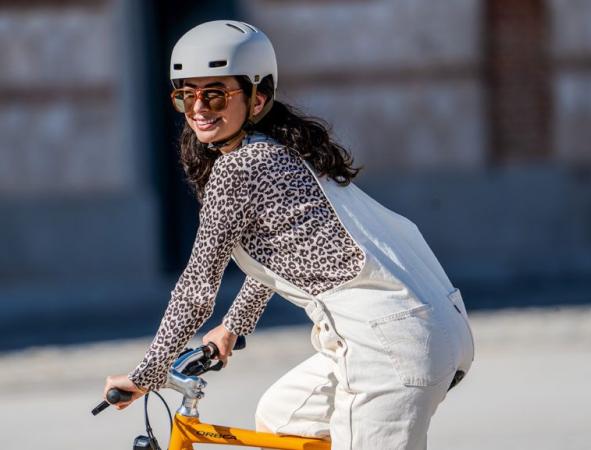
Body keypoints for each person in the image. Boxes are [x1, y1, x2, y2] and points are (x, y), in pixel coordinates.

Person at [103, 20, 474, 449]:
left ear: (258, 97)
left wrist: (145, 374)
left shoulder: (239, 167)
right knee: (282, 416)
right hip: (425, 324)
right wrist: (233, 326)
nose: (198, 108)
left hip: (390, 345)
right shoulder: (285, 152)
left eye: (215, 94)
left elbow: (196, 288)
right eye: (186, 95)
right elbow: (289, 254)